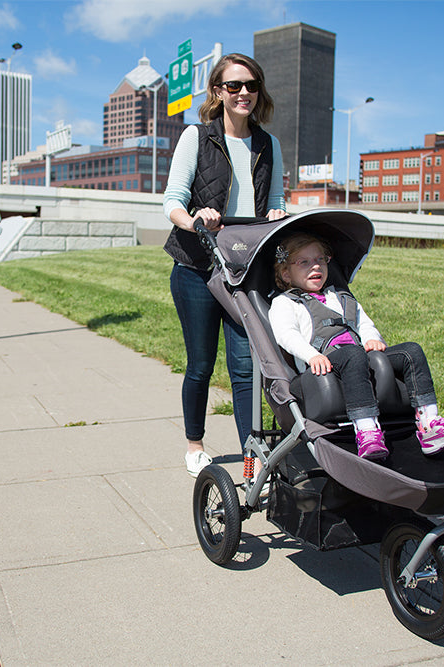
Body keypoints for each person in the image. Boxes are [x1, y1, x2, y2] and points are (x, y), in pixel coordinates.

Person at [162, 53, 286, 477]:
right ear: (218, 91)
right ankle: (195, 444)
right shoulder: (197, 137)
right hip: (198, 267)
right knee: (200, 363)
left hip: (245, 270)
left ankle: (252, 464)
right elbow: (172, 202)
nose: (244, 93)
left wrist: (276, 216)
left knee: (246, 368)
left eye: (251, 85)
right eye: (234, 86)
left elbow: (275, 204)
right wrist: (195, 219)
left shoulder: (268, 145)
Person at [268, 232, 444, 460]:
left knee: (411, 351)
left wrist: (371, 338)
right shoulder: (285, 303)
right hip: (325, 364)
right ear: (286, 274)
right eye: (304, 262)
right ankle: (367, 430)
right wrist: (311, 356)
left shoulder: (340, 297)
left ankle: (430, 425)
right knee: (352, 354)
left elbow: (364, 324)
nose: (315, 266)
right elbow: (287, 335)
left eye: (321, 259)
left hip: (358, 356)